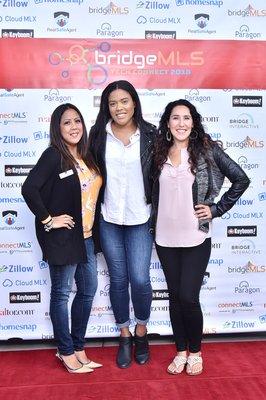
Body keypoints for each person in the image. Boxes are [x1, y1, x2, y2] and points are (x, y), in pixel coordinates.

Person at [152, 99, 250, 376]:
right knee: (174, 297)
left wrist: (216, 209)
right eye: (175, 118)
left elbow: (240, 179)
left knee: (188, 296)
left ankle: (195, 351)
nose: (181, 123)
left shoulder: (206, 151)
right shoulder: (158, 152)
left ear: (193, 122)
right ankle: (180, 351)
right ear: (167, 123)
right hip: (164, 237)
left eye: (186, 118)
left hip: (195, 236)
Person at [22, 103, 103, 374]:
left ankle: (78, 347)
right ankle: (65, 351)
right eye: (67, 122)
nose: (74, 127)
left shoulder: (86, 156)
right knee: (60, 294)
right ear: (57, 128)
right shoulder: (53, 156)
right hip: (64, 238)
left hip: (87, 237)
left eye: (77, 121)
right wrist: (48, 220)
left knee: (88, 290)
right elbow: (29, 188)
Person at [89, 80, 157, 368]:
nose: (119, 108)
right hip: (109, 219)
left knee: (140, 279)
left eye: (124, 101)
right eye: (113, 103)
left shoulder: (152, 134)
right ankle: (125, 335)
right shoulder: (97, 135)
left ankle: (142, 331)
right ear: (107, 107)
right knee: (118, 280)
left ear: (134, 103)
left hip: (141, 217)